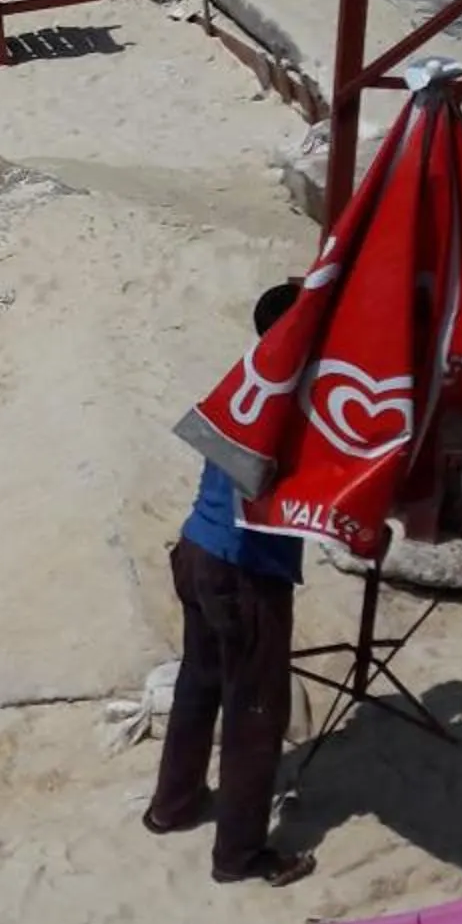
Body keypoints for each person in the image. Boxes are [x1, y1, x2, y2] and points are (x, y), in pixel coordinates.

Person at [147, 280, 317, 887]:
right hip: (244, 574)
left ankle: (173, 804)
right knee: (254, 713)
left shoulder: (249, 380)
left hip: (195, 550)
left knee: (199, 683)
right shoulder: (298, 401)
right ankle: (240, 856)